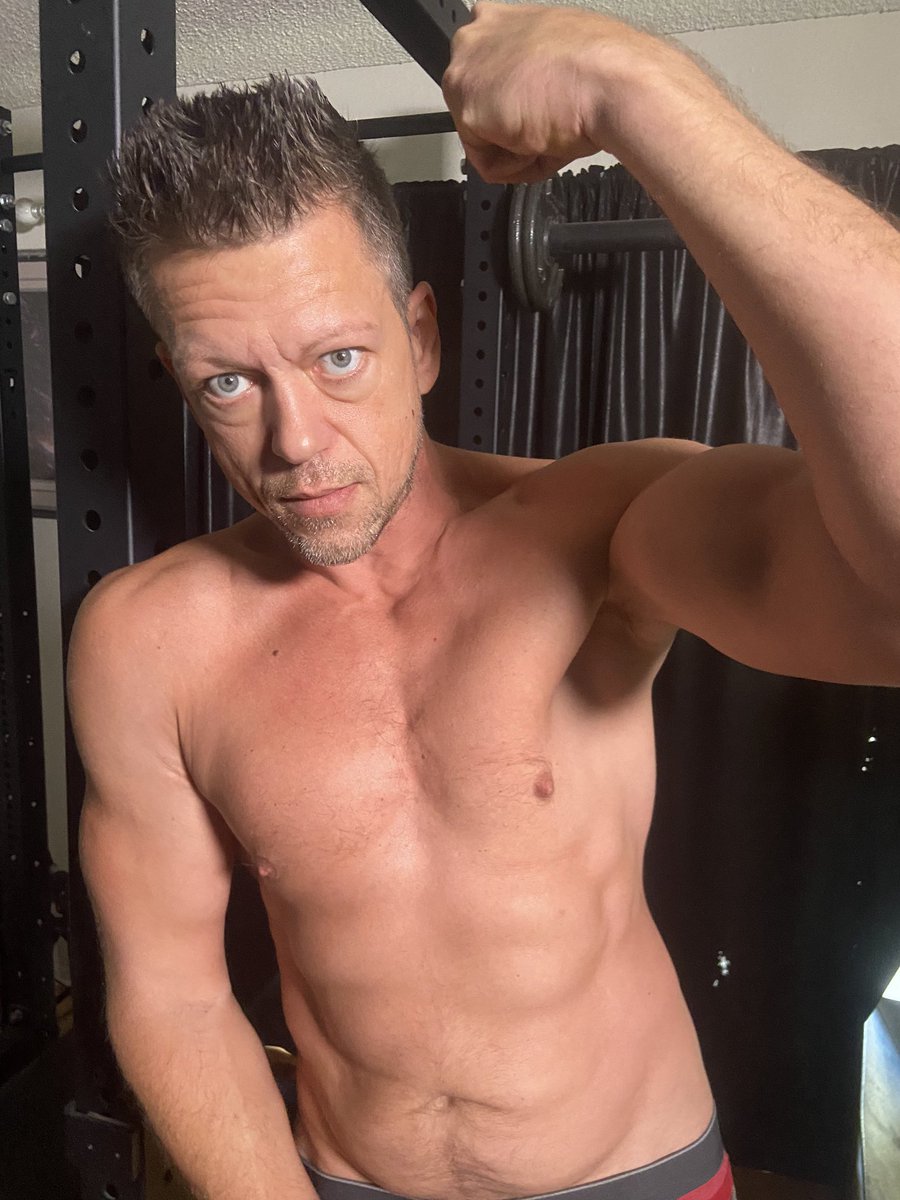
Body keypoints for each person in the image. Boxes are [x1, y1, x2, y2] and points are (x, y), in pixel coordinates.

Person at [67, 4, 900, 1200]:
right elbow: (172, 996)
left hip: (637, 1177)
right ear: (179, 381)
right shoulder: (147, 642)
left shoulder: (602, 528)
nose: (295, 441)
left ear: (421, 338)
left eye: (338, 358)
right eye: (230, 383)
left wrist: (640, 90)